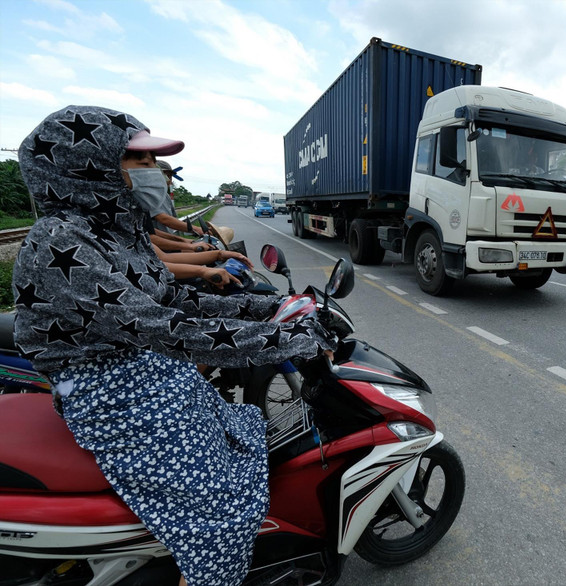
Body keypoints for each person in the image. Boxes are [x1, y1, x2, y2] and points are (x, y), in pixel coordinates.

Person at [13, 105, 336, 586]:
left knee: (241, 436)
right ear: (89, 169)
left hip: (142, 371)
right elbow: (163, 328)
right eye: (140, 161)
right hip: (107, 392)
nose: (154, 173)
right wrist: (286, 338)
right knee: (221, 519)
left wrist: (268, 308)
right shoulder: (62, 241)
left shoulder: (115, 230)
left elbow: (174, 298)